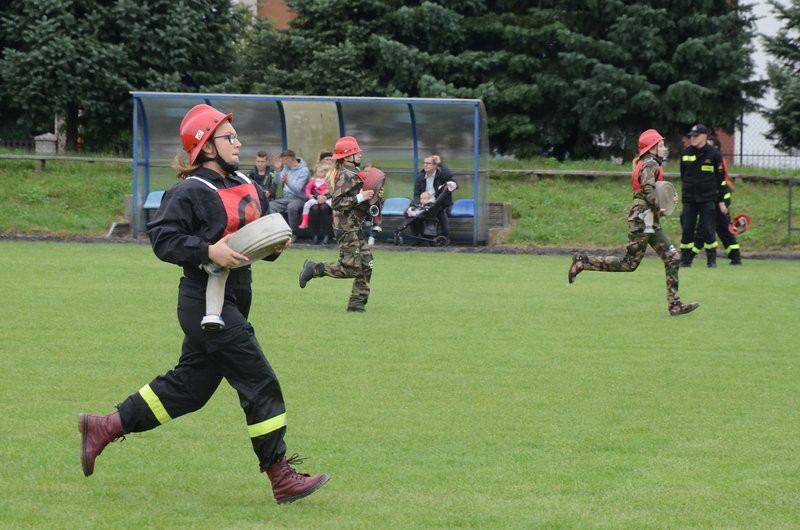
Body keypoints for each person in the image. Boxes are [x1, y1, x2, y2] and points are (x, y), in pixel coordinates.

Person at [77, 104, 329, 505]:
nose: (238, 142)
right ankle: (281, 476)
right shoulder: (189, 190)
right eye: (229, 137)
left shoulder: (246, 181)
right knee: (259, 380)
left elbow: (254, 236)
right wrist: (207, 249)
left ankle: (104, 426)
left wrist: (277, 243)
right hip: (203, 303)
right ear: (206, 146)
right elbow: (162, 238)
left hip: (235, 297)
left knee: (190, 389)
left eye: (235, 135)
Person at [567, 129, 699, 317]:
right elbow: (647, 189)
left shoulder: (648, 163)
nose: (664, 148)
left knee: (673, 258)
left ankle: (675, 305)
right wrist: (659, 203)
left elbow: (653, 189)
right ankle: (584, 261)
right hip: (643, 217)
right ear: (652, 149)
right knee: (630, 263)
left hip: (649, 218)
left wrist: (667, 197)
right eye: (661, 145)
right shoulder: (651, 164)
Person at [298, 136, 380, 312]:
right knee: (352, 268)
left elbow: (361, 202)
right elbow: (336, 203)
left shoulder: (354, 173)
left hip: (355, 225)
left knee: (367, 264)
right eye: (355, 152)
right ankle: (315, 269)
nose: (359, 154)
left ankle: (356, 305)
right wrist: (361, 197)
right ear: (346, 156)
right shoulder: (345, 175)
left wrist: (373, 195)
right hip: (346, 226)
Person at [678, 124, 726, 268]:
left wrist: (721, 200)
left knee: (708, 229)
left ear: (704, 136)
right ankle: (685, 260)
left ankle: (711, 260)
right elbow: (683, 175)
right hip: (689, 199)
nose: (692, 138)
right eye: (691, 136)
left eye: (696, 136)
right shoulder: (685, 152)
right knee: (687, 229)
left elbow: (721, 179)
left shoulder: (714, 154)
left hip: (707, 198)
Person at [692, 135, 742, 265]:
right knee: (715, 229)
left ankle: (690, 256)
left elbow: (722, 184)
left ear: (716, 148)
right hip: (710, 200)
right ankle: (735, 257)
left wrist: (724, 203)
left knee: (710, 229)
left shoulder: (716, 159)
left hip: (717, 201)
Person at [412, 155, 457, 242]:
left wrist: (440, 162)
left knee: (439, 212)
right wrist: (418, 203)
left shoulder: (441, 176)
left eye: (428, 163)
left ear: (435, 165)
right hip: (423, 203)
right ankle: (417, 236)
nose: (425, 165)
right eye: (424, 163)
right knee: (409, 213)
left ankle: (445, 236)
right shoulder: (420, 177)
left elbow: (449, 176)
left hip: (439, 203)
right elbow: (416, 194)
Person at [268, 149, 309, 234]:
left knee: (291, 206)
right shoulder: (286, 168)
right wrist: (277, 169)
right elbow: (278, 182)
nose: (282, 163)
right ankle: (278, 231)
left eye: (283, 161)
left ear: (288, 159)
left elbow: (298, 189)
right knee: (271, 205)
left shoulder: (304, 170)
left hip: (300, 199)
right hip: (286, 198)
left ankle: (292, 233)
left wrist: (288, 182)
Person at [298, 163, 334, 245]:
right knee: (315, 208)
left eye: (324, 172)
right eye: (320, 172)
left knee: (324, 208)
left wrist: (325, 196)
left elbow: (333, 190)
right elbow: (309, 189)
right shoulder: (313, 180)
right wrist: (316, 196)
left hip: (327, 200)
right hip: (315, 199)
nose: (322, 174)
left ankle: (327, 235)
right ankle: (315, 235)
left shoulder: (330, 180)